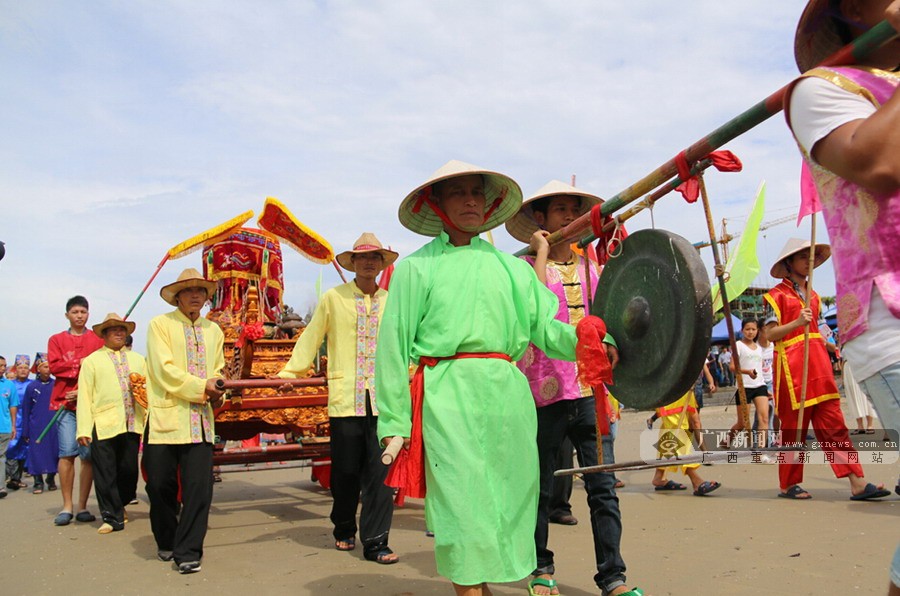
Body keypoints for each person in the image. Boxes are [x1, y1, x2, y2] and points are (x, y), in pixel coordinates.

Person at [376, 161, 642, 596]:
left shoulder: (514, 270)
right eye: (457, 192)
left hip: (508, 397)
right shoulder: (415, 269)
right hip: (448, 393)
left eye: (476, 193)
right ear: (436, 204)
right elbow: (391, 349)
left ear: (489, 202)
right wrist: (394, 423)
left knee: (507, 498)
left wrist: (590, 339)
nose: (469, 200)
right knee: (461, 504)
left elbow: (547, 329)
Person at [786, 3, 900, 589]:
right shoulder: (820, 90)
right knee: (800, 428)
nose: (807, 264)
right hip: (889, 318)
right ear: (851, 12)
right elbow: (881, 163)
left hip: (818, 360)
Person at [506, 179, 637, 596]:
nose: (567, 216)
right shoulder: (523, 269)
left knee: (601, 488)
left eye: (573, 210)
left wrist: (612, 341)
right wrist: (541, 252)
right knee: (541, 487)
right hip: (542, 394)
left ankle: (613, 577)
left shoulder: (591, 268)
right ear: (539, 219)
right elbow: (534, 309)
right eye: (559, 209)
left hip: (590, 394)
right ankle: (540, 569)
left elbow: (608, 321)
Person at [276, 233, 400, 564]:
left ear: (382, 263)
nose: (369, 262)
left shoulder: (394, 301)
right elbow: (312, 336)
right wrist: (291, 373)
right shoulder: (334, 298)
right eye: (362, 258)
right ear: (354, 263)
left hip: (386, 401)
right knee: (345, 472)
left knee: (381, 473)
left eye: (375, 257)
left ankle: (376, 542)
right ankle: (344, 527)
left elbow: (406, 343)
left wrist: (415, 373)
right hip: (346, 400)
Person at [764, 239, 889, 501]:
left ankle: (856, 481)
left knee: (835, 426)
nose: (807, 262)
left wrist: (837, 346)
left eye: (810, 258)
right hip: (791, 369)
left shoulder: (814, 296)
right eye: (801, 258)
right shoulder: (774, 296)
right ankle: (788, 485)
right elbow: (770, 333)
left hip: (819, 366)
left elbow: (821, 331)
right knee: (793, 431)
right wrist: (798, 322)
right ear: (788, 264)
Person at [143, 268, 225, 574]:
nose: (195, 295)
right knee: (160, 484)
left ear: (206, 297)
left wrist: (219, 394)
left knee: (198, 488)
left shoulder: (214, 331)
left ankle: (189, 550)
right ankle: (166, 537)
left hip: (200, 421)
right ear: (177, 296)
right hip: (165, 416)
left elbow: (219, 371)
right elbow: (163, 370)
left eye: (200, 291)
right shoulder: (160, 325)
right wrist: (200, 386)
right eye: (188, 291)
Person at [76, 313, 147, 534]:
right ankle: (111, 516)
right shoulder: (92, 361)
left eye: (122, 330)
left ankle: (121, 503)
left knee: (128, 470)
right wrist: (83, 429)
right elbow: (85, 396)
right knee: (105, 471)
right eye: (113, 330)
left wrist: (148, 419)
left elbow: (147, 391)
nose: (118, 333)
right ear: (104, 335)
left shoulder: (138, 360)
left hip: (131, 422)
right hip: (104, 422)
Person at [47, 295, 104, 525]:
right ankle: (66, 506)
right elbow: (54, 366)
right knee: (66, 453)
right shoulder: (56, 340)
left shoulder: (98, 339)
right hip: (64, 404)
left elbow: (100, 369)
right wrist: (82, 365)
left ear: (88, 314)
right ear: (67, 315)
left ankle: (82, 506)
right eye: (75, 312)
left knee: (88, 456)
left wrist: (81, 390)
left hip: (90, 405)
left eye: (83, 312)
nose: (79, 316)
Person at [649, 390, 721, 496]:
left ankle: (659, 476)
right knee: (676, 429)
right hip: (670, 390)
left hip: (685, 390)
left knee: (691, 424)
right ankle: (696, 481)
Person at [726, 318, 770, 450]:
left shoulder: (759, 348)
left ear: (757, 331)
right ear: (742, 330)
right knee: (743, 423)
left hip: (760, 386)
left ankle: (761, 450)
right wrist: (747, 372)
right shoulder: (738, 345)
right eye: (747, 329)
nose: (750, 332)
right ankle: (727, 441)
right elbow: (732, 367)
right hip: (744, 386)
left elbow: (760, 368)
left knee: (764, 419)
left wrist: (766, 388)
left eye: (753, 329)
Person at [22, 353, 58, 493]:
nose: (48, 369)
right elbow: (26, 409)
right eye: (44, 366)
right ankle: (38, 482)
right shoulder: (32, 387)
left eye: (50, 367)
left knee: (54, 452)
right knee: (36, 453)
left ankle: (51, 477)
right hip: (36, 424)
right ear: (38, 368)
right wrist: (25, 430)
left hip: (53, 423)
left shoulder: (56, 385)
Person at [6, 355, 32, 490]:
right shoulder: (10, 384)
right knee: (11, 448)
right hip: (13, 419)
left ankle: (17, 478)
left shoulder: (32, 384)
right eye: (20, 367)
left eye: (26, 368)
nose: (23, 370)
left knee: (24, 449)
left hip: (28, 420)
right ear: (16, 369)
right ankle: (11, 477)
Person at [0, 356, 19, 499]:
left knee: (1, 457)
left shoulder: (9, 385)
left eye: (4, 366)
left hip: (4, 426)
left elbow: (13, 405)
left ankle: (0, 486)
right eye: (1, 365)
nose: (3, 368)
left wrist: (13, 425)